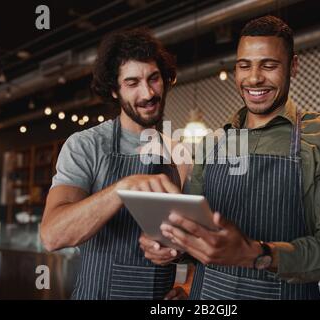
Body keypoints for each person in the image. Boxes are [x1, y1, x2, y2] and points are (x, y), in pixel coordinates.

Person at [140, 15, 320, 300]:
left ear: (293, 66)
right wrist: (170, 248)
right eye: (244, 66)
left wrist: (259, 255)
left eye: (269, 65)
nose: (254, 78)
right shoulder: (213, 144)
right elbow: (191, 233)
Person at [40, 28, 190, 300]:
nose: (147, 93)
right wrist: (125, 187)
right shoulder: (85, 146)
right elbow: (53, 235)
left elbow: (189, 243)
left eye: (153, 79)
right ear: (114, 90)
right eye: (132, 83)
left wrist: (186, 286)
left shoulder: (179, 154)